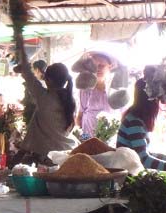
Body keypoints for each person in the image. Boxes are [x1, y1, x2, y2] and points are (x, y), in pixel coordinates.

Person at [12, 28, 77, 165]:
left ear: (48, 80)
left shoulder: (44, 97)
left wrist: (19, 41)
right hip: (67, 153)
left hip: (49, 157)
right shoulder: (70, 101)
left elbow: (29, 76)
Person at [117, 79, 166, 173]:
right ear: (151, 100)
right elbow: (144, 160)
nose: (159, 102)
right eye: (158, 98)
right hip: (128, 175)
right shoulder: (134, 122)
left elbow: (142, 153)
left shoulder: (136, 118)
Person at [76, 53, 115, 140]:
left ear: (110, 66)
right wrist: (83, 139)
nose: (98, 69)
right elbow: (79, 118)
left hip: (109, 138)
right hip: (88, 137)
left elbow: (123, 114)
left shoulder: (114, 89)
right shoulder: (85, 88)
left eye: (102, 65)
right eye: (94, 66)